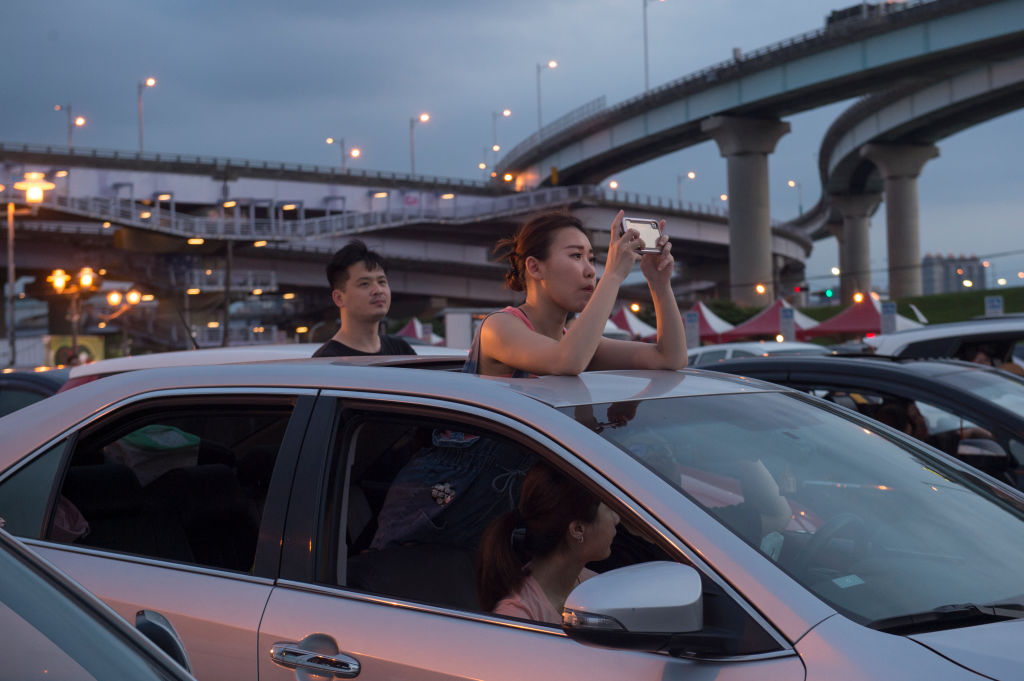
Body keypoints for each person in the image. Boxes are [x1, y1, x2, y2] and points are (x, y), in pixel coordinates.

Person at [464, 210, 687, 377]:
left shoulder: (577, 343)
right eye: (576, 256)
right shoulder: (497, 327)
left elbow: (671, 358)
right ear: (534, 267)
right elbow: (566, 361)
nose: (591, 271)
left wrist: (660, 285)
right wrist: (612, 276)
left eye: (591, 259)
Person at [477, 463, 620, 624]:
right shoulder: (517, 617)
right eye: (608, 509)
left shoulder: (587, 582)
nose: (617, 519)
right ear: (578, 529)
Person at [312, 240, 415, 357]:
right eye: (364, 284)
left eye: (382, 282)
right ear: (339, 298)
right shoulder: (326, 361)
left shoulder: (401, 351)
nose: (378, 290)